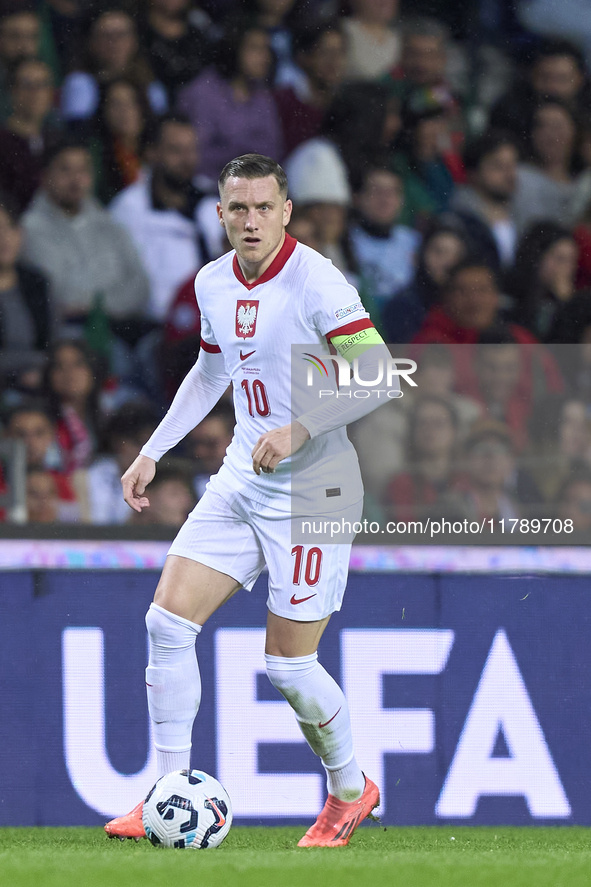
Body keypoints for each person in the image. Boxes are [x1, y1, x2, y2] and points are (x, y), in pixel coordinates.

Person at [104, 152, 393, 847]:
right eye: (239, 208)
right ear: (221, 214)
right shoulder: (210, 282)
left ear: (286, 211)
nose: (252, 220)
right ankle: (166, 792)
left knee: (288, 665)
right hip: (241, 475)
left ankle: (350, 790)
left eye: (265, 207)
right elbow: (210, 372)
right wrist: (153, 450)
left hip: (315, 485)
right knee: (166, 624)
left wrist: (301, 426)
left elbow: (378, 373)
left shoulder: (317, 280)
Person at [21, 139, 150, 329]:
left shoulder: (110, 224)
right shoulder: (30, 228)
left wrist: (93, 307)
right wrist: (107, 303)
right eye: (65, 170)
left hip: (119, 325)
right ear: (46, 176)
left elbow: (140, 286)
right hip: (67, 330)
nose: (75, 179)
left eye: (83, 170)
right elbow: (59, 295)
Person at [109, 114, 223, 323]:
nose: (187, 160)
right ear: (152, 153)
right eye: (176, 150)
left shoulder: (212, 202)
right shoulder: (128, 209)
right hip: (152, 326)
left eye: (191, 150)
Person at [177, 22, 282, 186]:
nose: (265, 57)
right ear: (234, 49)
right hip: (206, 187)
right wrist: (243, 156)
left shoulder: (263, 95)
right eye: (255, 48)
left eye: (266, 49)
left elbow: (273, 151)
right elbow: (195, 155)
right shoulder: (203, 93)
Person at [450, 130, 520, 271]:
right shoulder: (459, 219)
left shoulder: (521, 212)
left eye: (512, 165)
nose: (510, 175)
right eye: (498, 166)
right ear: (473, 173)